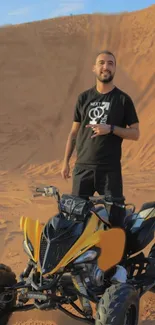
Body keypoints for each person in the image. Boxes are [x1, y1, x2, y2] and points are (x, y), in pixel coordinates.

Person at [61, 50, 140, 282]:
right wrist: (66, 161)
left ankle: (119, 269)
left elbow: (135, 133)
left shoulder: (123, 99)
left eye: (111, 63)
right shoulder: (83, 98)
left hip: (109, 170)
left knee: (116, 219)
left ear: (115, 69)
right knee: (76, 220)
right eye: (102, 63)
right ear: (94, 69)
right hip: (82, 168)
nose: (106, 67)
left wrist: (111, 129)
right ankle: (78, 269)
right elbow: (74, 133)